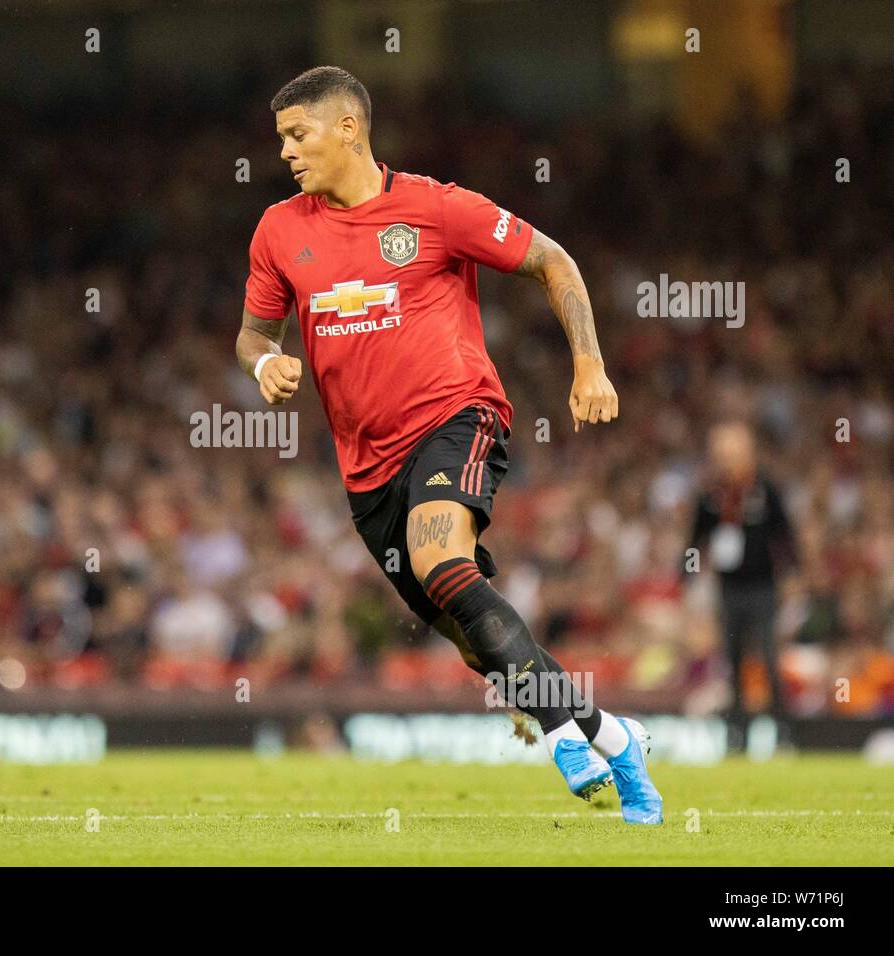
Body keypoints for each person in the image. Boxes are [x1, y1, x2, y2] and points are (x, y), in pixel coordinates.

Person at [236, 66, 661, 823]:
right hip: (366, 469)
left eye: (297, 136)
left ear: (347, 129)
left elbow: (551, 259)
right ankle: (615, 737)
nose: (286, 154)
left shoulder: (435, 209)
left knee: (440, 559)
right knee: (470, 639)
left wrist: (590, 362)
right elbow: (251, 334)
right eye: (280, 141)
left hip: (454, 418)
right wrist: (266, 362)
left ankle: (564, 736)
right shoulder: (279, 229)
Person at [684, 421, 798, 751]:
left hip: (763, 587)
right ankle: (738, 735)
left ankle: (783, 731)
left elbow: (784, 534)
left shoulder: (765, 489)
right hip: (729, 589)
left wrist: (792, 575)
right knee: (732, 661)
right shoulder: (711, 496)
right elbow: (695, 540)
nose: (725, 461)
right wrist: (687, 578)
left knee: (768, 657)